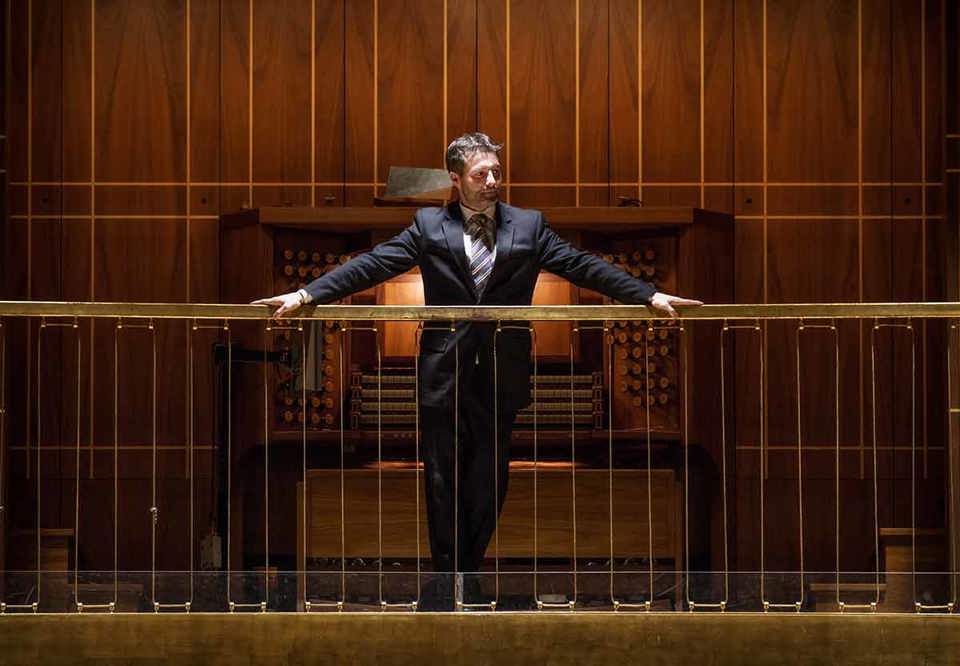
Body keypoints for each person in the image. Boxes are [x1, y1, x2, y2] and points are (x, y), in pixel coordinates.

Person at [253, 132, 701, 609]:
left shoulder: (530, 226)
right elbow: (372, 266)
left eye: (496, 173)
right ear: (455, 180)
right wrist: (304, 295)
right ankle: (449, 578)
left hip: (500, 372)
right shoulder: (427, 225)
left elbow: (582, 266)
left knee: (490, 477)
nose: (492, 182)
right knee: (442, 476)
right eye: (480, 174)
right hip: (443, 370)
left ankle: (471, 567)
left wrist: (649, 295)